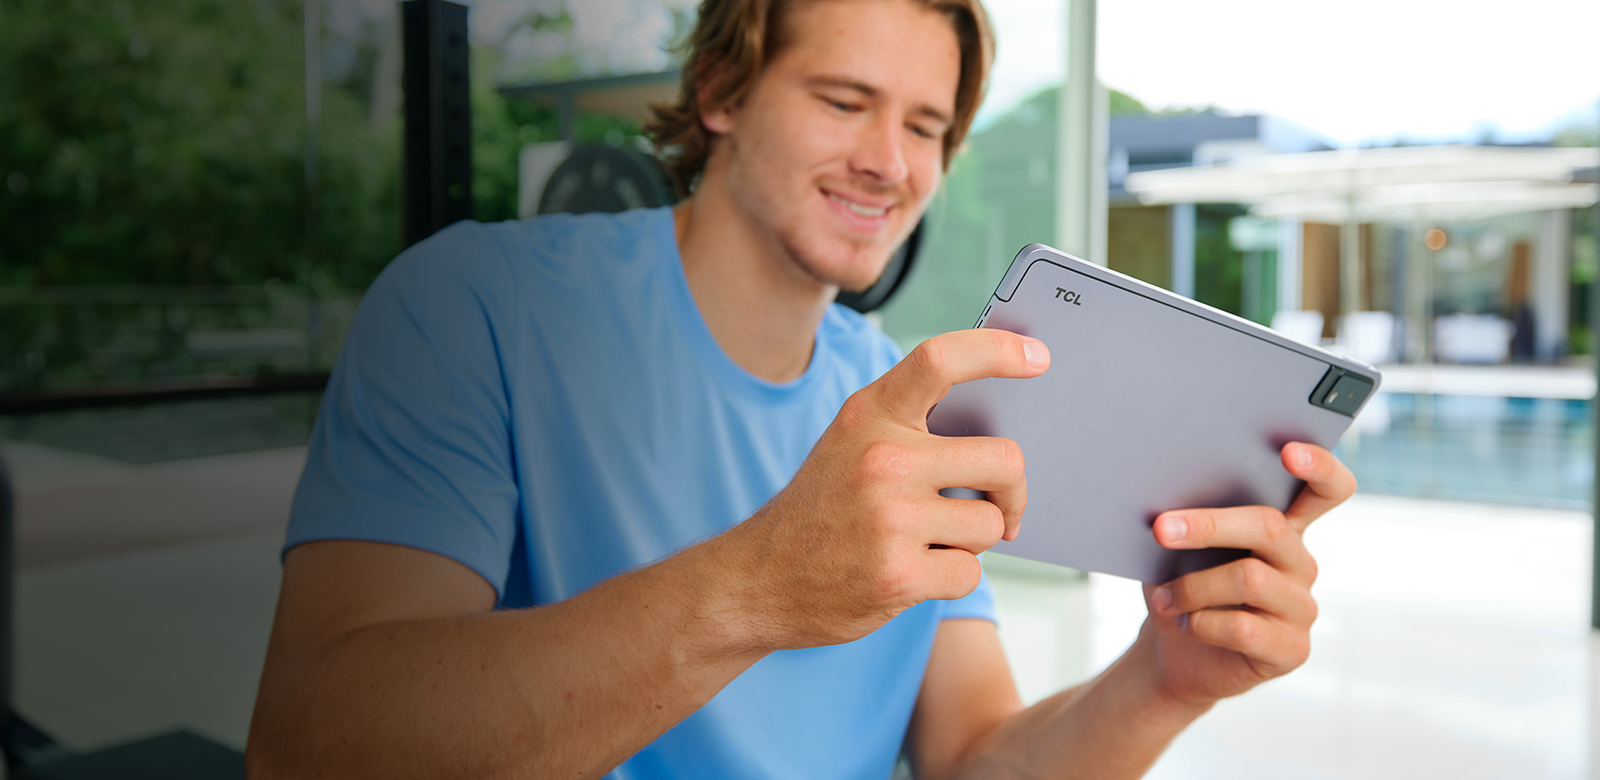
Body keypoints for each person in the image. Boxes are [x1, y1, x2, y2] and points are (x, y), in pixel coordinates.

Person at [246, 0, 1354, 776]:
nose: (891, 161)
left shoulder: (911, 405)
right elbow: (313, 748)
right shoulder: (475, 305)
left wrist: (1163, 679)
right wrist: (761, 586)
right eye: (843, 100)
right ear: (721, 90)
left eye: (926, 126)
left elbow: (977, 762)